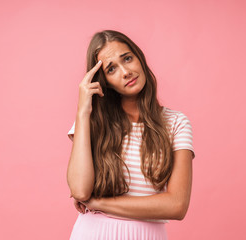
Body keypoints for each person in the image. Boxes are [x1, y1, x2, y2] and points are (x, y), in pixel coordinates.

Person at [66, 30, 195, 240]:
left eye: (127, 58)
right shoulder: (91, 121)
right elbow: (80, 191)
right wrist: (82, 111)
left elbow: (177, 205)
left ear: (139, 58)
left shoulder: (176, 123)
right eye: (111, 69)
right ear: (104, 81)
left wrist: (99, 203)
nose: (126, 72)